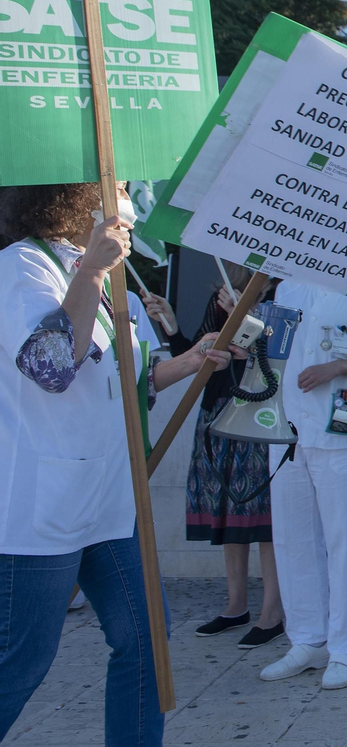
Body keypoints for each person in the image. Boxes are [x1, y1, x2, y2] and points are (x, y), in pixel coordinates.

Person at [0, 181, 241, 746]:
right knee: (22, 662)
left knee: (146, 639)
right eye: (118, 186)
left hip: (109, 501)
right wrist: (88, 272)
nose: (130, 199)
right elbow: (52, 368)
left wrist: (189, 361)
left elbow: (122, 387)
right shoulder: (22, 268)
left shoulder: (111, 282)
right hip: (45, 510)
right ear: (72, 197)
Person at [258, 280, 347, 690]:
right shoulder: (287, 288)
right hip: (286, 430)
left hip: (344, 431)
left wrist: (338, 367)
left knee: (344, 542)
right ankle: (307, 640)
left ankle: (345, 647)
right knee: (293, 539)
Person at [183, 264, 284, 649]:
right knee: (228, 507)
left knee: (262, 511)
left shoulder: (281, 294)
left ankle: (272, 612)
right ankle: (235, 605)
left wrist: (245, 317)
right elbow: (195, 358)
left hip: (259, 410)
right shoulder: (221, 295)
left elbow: (274, 359)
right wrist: (172, 326)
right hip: (218, 408)